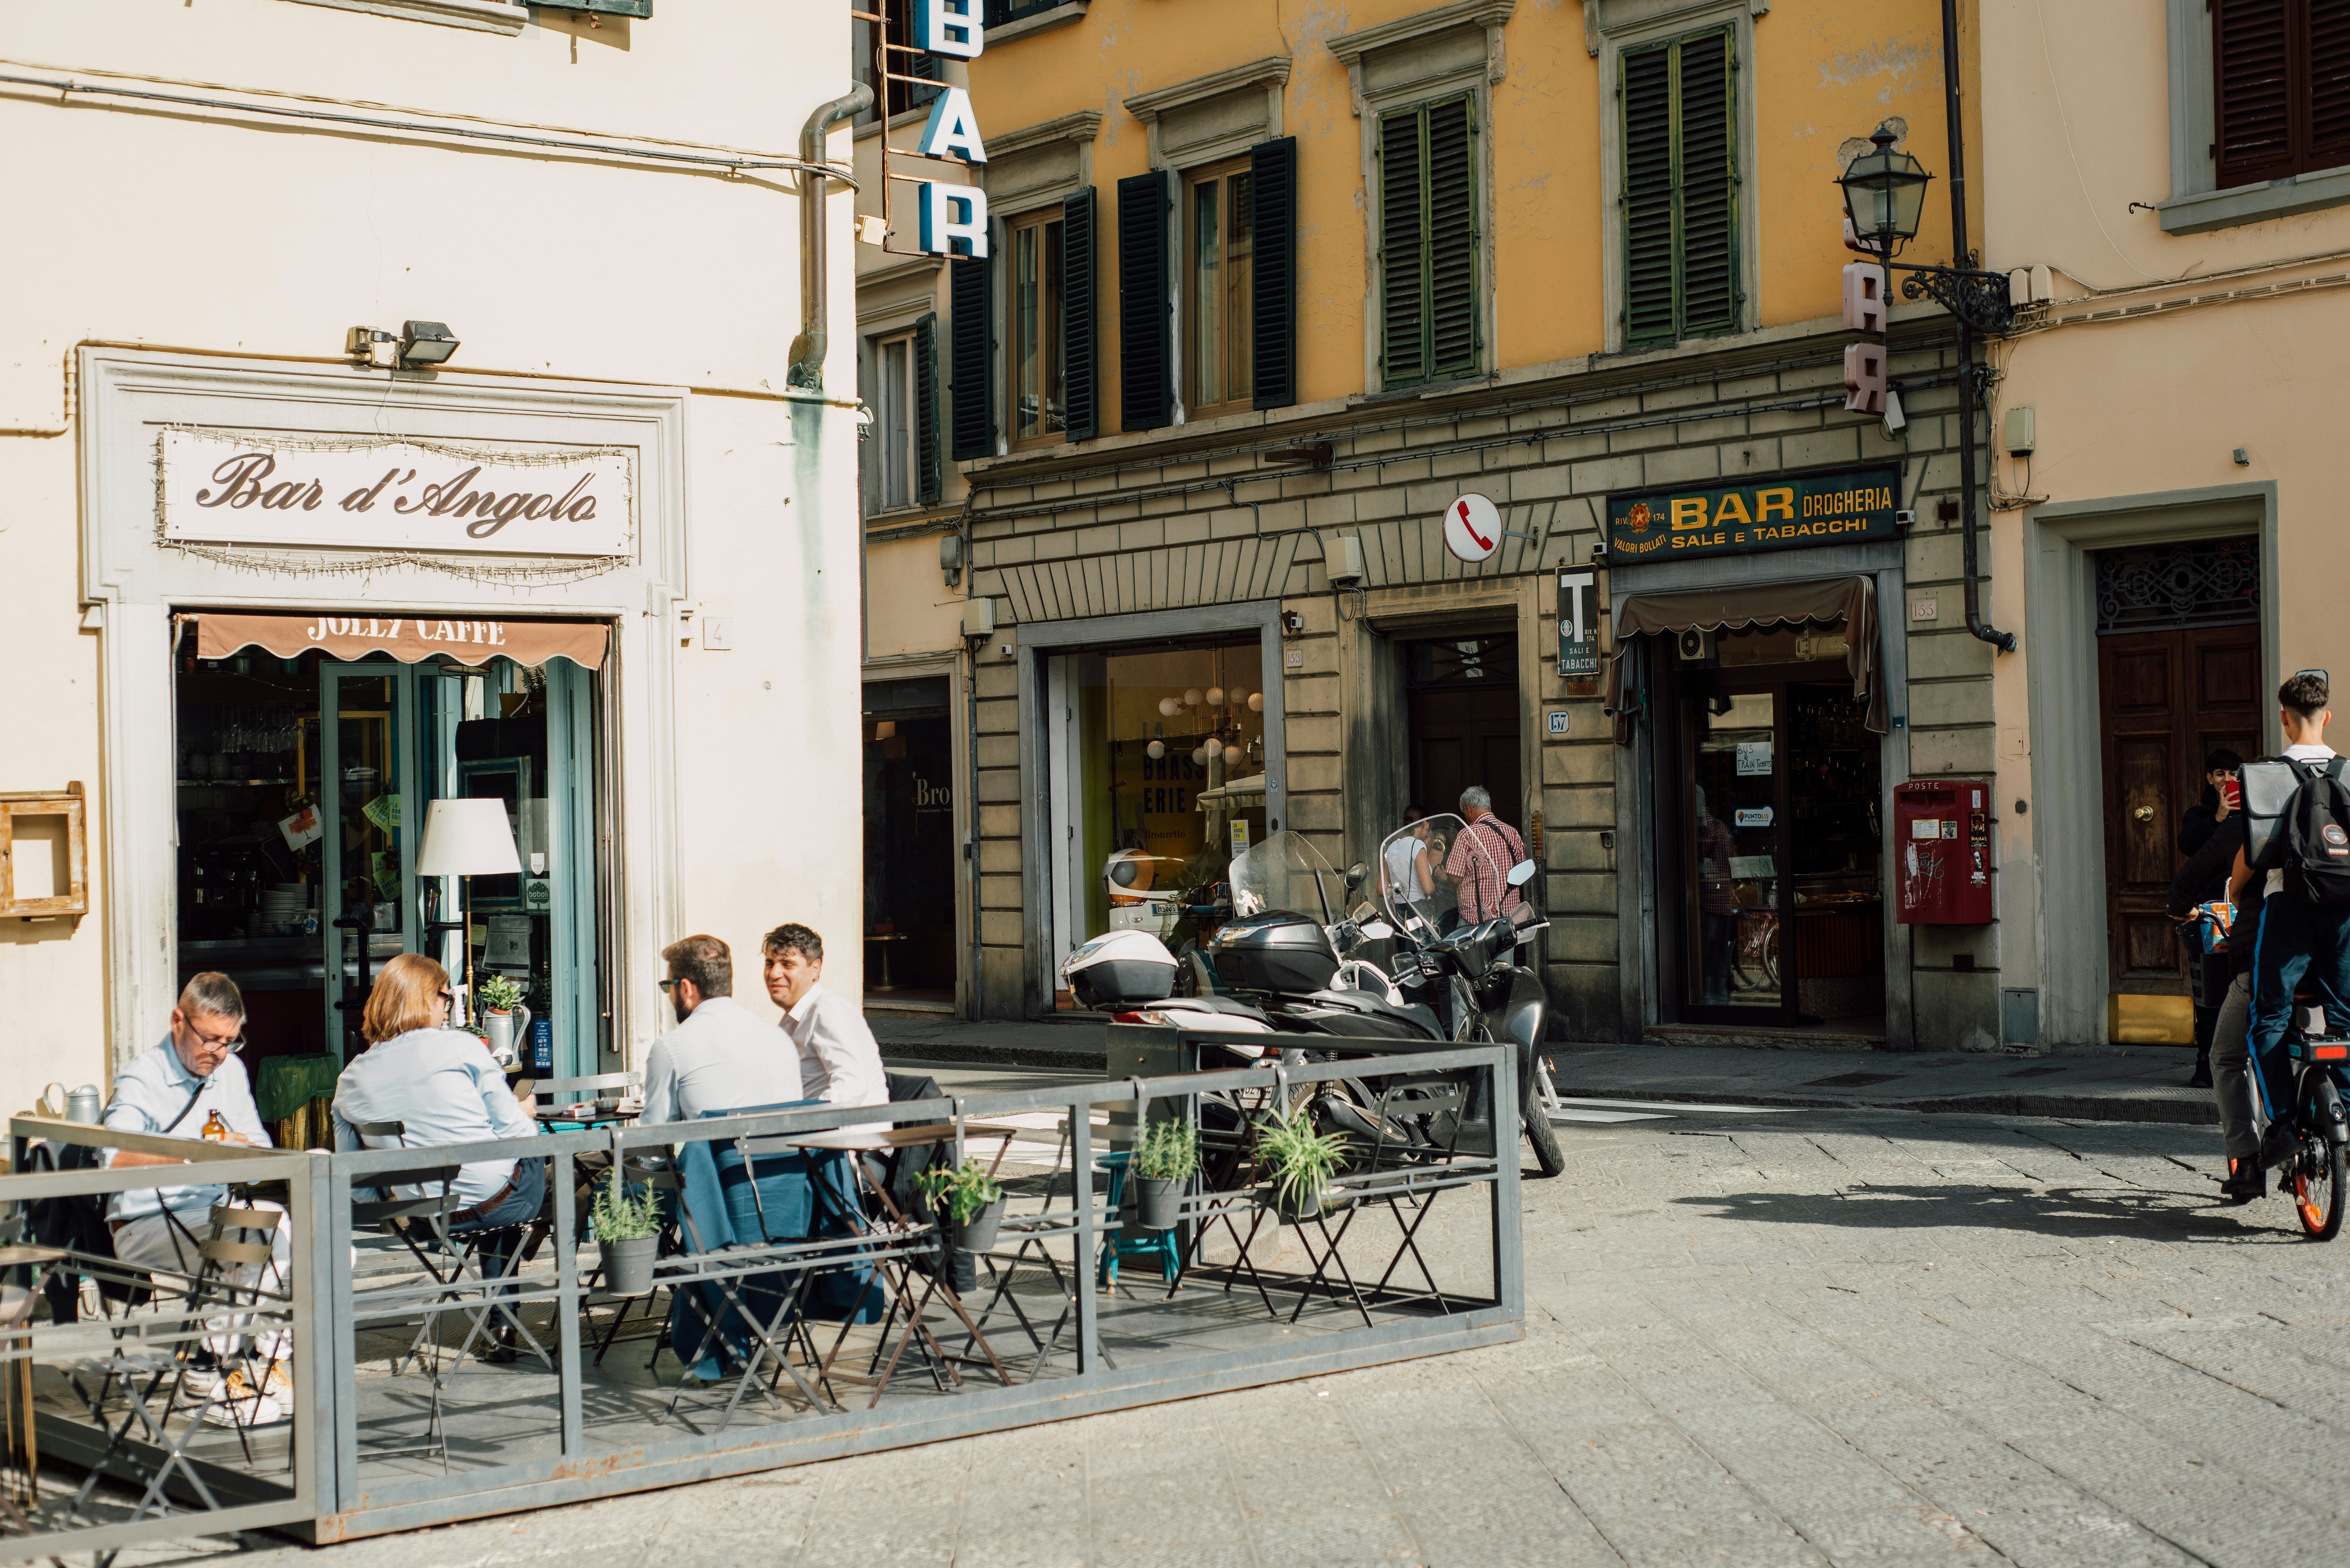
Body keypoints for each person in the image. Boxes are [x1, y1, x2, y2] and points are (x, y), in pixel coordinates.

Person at [101, 972, 291, 1425]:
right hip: (145, 1220)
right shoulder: (142, 1078)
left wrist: (242, 1147)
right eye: (210, 1040)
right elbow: (113, 1159)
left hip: (214, 1216)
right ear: (177, 1022)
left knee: (310, 1239)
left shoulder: (232, 1071)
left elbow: (262, 1154)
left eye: (230, 1041)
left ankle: (228, 1365)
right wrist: (190, 1156)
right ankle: (215, 1374)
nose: (219, 1053)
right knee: (260, 1235)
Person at [333, 954, 544, 1360]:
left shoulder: (351, 1077)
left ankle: (503, 1319)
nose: (448, 1007)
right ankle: (507, 1313)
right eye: (446, 997)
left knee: (491, 1194)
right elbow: (517, 1134)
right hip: (493, 1200)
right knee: (532, 1175)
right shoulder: (460, 1047)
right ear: (428, 998)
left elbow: (355, 1178)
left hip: (423, 1217)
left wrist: (391, 1207)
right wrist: (525, 1114)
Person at [2232, 670, 2349, 1181]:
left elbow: (2255, 856)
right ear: (2327, 716)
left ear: (2284, 717)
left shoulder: (2265, 776)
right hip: (2346, 912)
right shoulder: (2349, 773)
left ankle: (2284, 1127)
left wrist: (2233, 894)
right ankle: (2346, 1114)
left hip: (2290, 911)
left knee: (2270, 1017)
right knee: (2345, 1017)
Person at [2169, 800, 2256, 1196]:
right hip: (2332, 959)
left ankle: (2248, 1162)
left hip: (2265, 959)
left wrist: (2182, 909)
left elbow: (2192, 879)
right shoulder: (2328, 814)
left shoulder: (2247, 827)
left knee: (2225, 1056)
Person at [641, 934, 805, 1124]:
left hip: (719, 1154)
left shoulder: (670, 1047)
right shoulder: (780, 1038)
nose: (669, 996)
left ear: (686, 989)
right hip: (786, 1154)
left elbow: (654, 1141)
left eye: (668, 987)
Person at [763, 924, 890, 1108]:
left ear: (815, 969)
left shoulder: (828, 1011)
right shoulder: (793, 1020)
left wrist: (801, 1122)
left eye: (788, 965)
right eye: (770, 964)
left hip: (847, 1133)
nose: (774, 973)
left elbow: (850, 1088)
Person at [2177, 748, 2245, 1088]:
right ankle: (2205, 1065)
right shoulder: (2198, 815)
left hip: (2244, 912)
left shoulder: (2253, 809)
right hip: (2207, 913)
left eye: (2233, 773)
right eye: (2220, 774)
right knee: (2209, 991)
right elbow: (2189, 846)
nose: (2227, 780)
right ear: (2209, 778)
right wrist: (2218, 817)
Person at [1442, 785, 1528, 926]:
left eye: (1464, 812)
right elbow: (1522, 873)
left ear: (1468, 809)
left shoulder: (1467, 835)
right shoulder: (1513, 833)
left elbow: (1455, 878)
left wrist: (1444, 876)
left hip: (1476, 919)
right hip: (1509, 918)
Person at [1382, 807, 1433, 906]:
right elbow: (1428, 889)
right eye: (1429, 824)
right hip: (1418, 910)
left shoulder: (1391, 847)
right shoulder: (1418, 845)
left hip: (1400, 910)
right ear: (1425, 823)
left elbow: (1381, 890)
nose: (1428, 830)